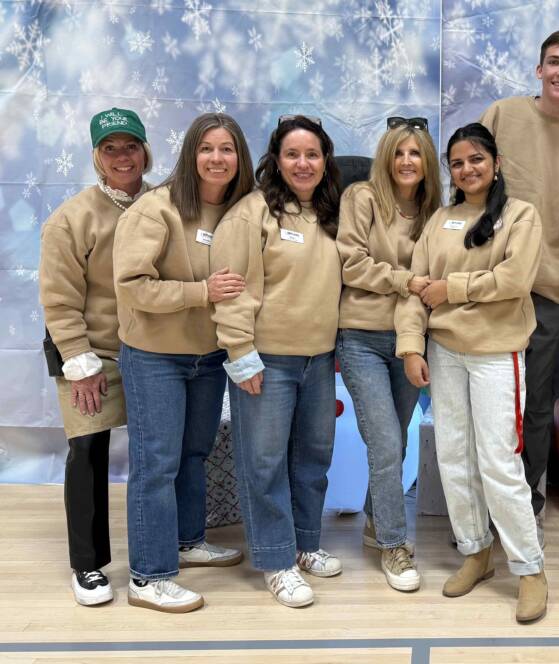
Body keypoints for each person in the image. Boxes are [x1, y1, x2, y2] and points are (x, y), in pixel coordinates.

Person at [396, 123, 546, 623]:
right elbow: (416, 291)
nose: (467, 170)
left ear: (496, 163)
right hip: (444, 352)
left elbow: (515, 279)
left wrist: (452, 290)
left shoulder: (520, 215)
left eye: (477, 159)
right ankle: (476, 552)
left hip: (496, 353)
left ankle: (529, 569)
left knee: (499, 463)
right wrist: (412, 345)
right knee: (454, 456)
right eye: (457, 163)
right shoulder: (440, 220)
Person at [113, 113, 254, 612]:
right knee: (156, 464)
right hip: (155, 357)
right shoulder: (156, 210)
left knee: (194, 454)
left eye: (228, 149)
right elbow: (131, 286)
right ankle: (148, 577)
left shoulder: (242, 211)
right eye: (207, 149)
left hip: (208, 357)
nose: (218, 159)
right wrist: (201, 292)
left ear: (241, 158)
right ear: (190, 154)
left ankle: (188, 541)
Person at [480, 30, 559, 534]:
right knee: (489, 404)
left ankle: (525, 509)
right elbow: (467, 186)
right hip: (489, 285)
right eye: (553, 62)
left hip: (551, 290)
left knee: (534, 407)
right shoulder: (502, 115)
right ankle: (483, 507)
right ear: (539, 70)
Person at [210, 116, 343, 608]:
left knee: (313, 459)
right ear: (276, 160)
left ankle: (305, 543)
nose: (303, 164)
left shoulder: (331, 213)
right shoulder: (252, 214)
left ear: (325, 159)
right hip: (267, 359)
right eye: (292, 155)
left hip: (319, 359)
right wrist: (240, 352)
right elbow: (232, 288)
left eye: (312, 154)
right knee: (264, 463)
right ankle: (275, 559)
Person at [39, 108, 151, 606]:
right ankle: (87, 565)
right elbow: (59, 299)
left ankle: (168, 546)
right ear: (96, 158)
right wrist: (78, 360)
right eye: (111, 148)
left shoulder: (163, 205)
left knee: (161, 452)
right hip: (90, 349)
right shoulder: (72, 218)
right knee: (88, 449)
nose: (122, 157)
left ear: (146, 152)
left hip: (149, 349)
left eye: (131, 146)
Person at [336, 116, 441, 592]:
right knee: (383, 442)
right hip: (360, 336)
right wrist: (405, 281)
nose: (406, 161)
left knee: (395, 441)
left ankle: (377, 521)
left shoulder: (436, 211)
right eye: (398, 152)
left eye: (415, 153)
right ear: (386, 157)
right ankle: (395, 546)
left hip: (410, 340)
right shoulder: (360, 198)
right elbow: (351, 263)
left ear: (427, 162)